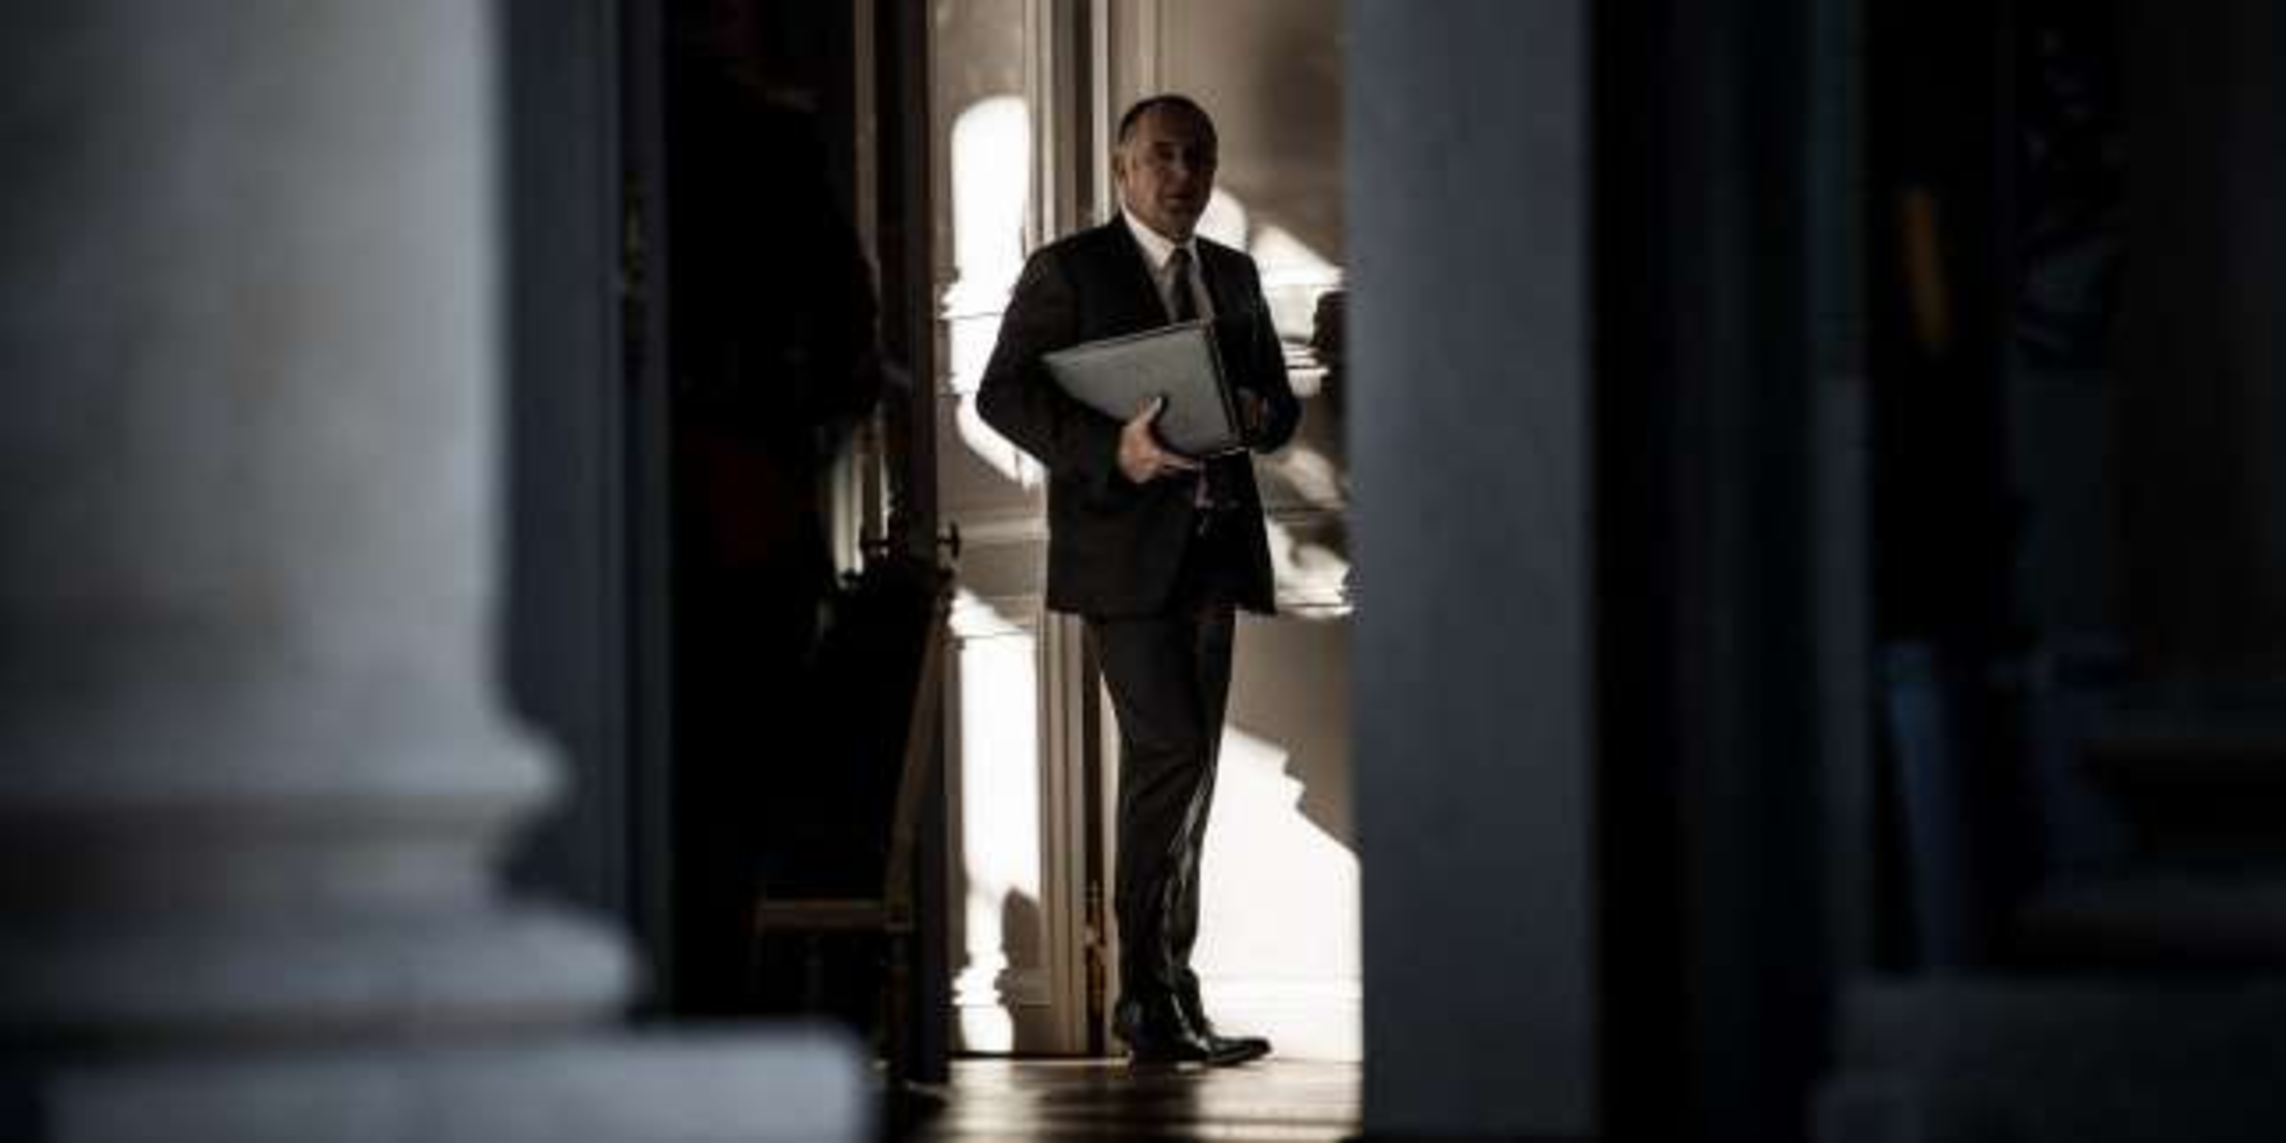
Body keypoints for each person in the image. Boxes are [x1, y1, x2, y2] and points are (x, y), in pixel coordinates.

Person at [977, 94, 1300, 1066]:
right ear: (1122, 168)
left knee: (1188, 773)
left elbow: (1278, 409)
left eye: (1198, 156)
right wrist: (1110, 451)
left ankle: (1168, 997)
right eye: (1161, 155)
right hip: (1123, 561)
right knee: (1170, 757)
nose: (1182, 174)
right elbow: (1001, 393)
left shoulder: (1233, 273)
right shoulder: (1069, 269)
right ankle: (1147, 997)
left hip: (1215, 555)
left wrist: (1259, 412)